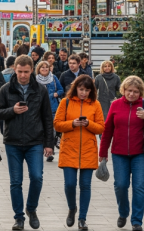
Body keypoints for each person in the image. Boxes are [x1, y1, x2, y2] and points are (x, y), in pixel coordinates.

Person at [0, 55, 55, 230]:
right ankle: (19, 218)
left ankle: (31, 208)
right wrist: (12, 110)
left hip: (34, 140)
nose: (22, 75)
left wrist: (48, 143)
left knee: (37, 177)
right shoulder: (6, 89)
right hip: (12, 141)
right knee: (16, 181)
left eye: (26, 72)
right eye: (19, 72)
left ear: (31, 70)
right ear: (15, 70)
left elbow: (47, 118)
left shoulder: (40, 90)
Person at [99, 76, 144, 231]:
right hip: (119, 152)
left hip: (141, 153)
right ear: (123, 90)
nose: (132, 94)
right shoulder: (116, 105)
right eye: (129, 91)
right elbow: (107, 131)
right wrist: (103, 152)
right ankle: (123, 212)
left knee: (139, 187)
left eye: (135, 91)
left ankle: (136, 221)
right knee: (120, 185)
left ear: (140, 92)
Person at [53, 75, 105, 231]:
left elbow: (101, 127)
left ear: (91, 91)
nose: (83, 93)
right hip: (69, 148)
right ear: (75, 88)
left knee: (85, 185)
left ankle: (82, 219)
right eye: (81, 89)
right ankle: (72, 208)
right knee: (70, 184)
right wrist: (73, 124)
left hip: (88, 149)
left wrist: (89, 124)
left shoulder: (96, 104)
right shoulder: (65, 102)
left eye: (87, 90)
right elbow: (57, 124)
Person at [34, 60, 63, 162]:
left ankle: (51, 151)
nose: (45, 69)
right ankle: (43, 149)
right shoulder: (35, 80)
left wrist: (56, 94)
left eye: (46, 67)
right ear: (39, 69)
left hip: (53, 108)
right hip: (39, 108)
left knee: (52, 131)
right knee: (42, 130)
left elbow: (61, 90)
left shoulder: (53, 78)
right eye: (42, 67)